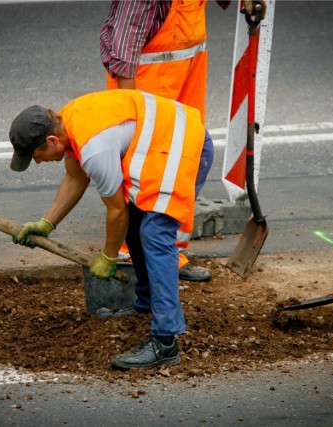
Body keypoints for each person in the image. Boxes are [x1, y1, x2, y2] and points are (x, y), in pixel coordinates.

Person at [9, 89, 214, 369]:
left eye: (37, 155)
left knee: (155, 234)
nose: (38, 162)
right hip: (161, 140)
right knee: (135, 220)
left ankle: (165, 342)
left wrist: (107, 256)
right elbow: (75, 177)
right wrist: (47, 223)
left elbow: (116, 210)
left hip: (183, 144)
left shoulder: (94, 148)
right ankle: (145, 302)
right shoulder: (67, 120)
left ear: (51, 139)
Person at [99, 0, 233, 282]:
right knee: (149, 168)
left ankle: (170, 251)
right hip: (144, 82)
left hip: (186, 75)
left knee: (187, 156)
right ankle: (132, 252)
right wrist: (131, 109)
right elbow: (126, 38)